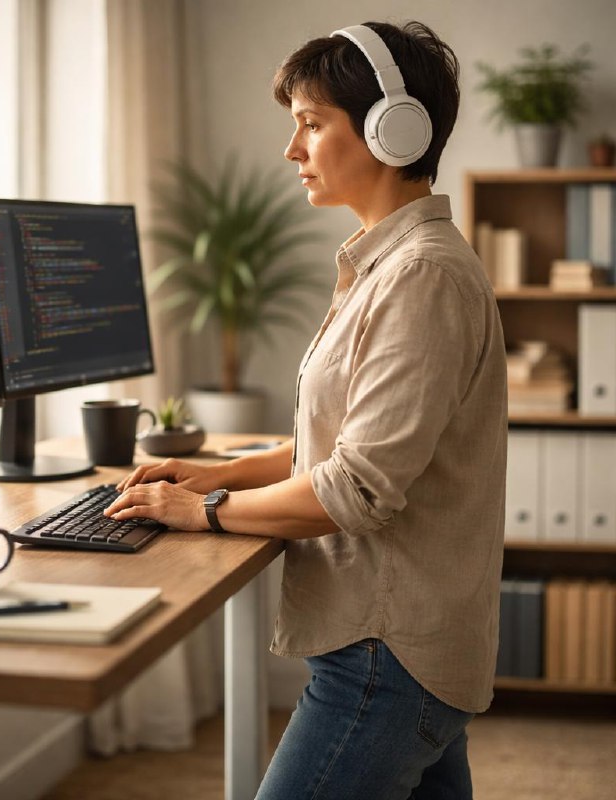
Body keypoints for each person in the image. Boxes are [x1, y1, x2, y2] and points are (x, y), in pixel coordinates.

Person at [105, 19, 507, 800]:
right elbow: (334, 447)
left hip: (386, 659)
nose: (293, 150)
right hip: (404, 652)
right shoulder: (388, 265)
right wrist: (208, 471)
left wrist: (205, 511)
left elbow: (355, 488)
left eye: (312, 125)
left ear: (395, 130)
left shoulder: (421, 278)